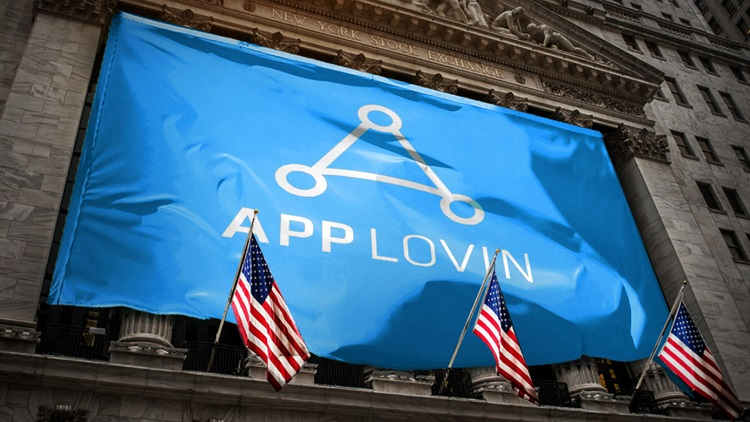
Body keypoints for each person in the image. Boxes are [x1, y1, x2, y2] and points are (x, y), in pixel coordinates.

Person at [526, 22, 595, 60]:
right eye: (530, 32)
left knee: (572, 49)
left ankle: (588, 56)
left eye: (531, 31)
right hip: (551, 44)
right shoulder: (535, 35)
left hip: (558, 39)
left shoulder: (543, 27)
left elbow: (547, 36)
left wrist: (544, 44)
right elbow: (533, 41)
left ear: (534, 28)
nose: (531, 33)